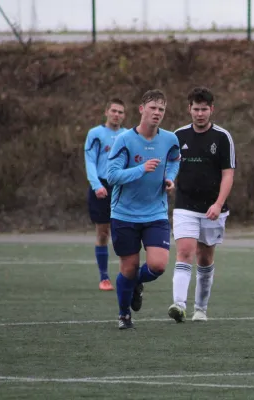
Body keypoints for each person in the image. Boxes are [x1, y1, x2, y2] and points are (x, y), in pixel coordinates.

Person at [106, 89, 180, 330]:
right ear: (141, 110)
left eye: (161, 109)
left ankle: (135, 283)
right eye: (153, 108)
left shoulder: (170, 139)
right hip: (124, 214)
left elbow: (174, 160)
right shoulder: (124, 140)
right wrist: (141, 169)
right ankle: (123, 314)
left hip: (155, 212)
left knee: (158, 265)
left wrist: (170, 178)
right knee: (128, 268)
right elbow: (112, 175)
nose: (157, 113)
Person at [168, 87, 236, 323]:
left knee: (205, 257)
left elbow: (228, 174)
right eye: (196, 109)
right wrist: (167, 180)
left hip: (212, 208)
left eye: (204, 109)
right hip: (185, 204)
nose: (199, 114)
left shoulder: (222, 137)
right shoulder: (177, 136)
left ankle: (201, 308)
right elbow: (169, 167)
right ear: (189, 109)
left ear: (211, 109)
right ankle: (178, 304)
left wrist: (218, 204)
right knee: (185, 251)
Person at [84, 98, 126, 291]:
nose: (117, 115)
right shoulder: (95, 134)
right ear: (107, 111)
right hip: (101, 187)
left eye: (120, 112)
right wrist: (96, 185)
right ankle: (104, 277)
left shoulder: (127, 135)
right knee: (103, 233)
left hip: (121, 187)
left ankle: (126, 276)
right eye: (114, 111)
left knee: (123, 232)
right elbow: (90, 160)